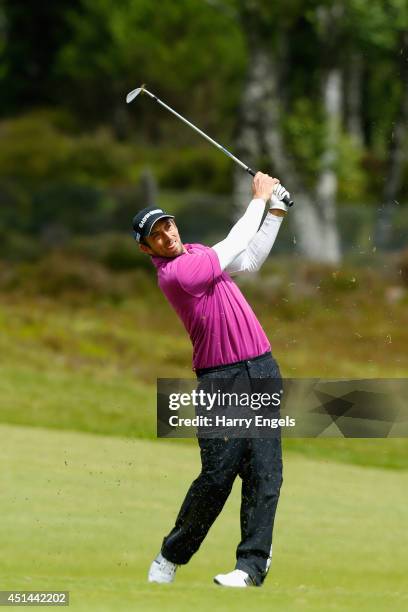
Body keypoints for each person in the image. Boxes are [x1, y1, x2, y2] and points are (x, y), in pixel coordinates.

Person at [132, 172, 289, 588]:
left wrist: (274, 212)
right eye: (156, 235)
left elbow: (248, 261)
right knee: (218, 475)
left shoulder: (199, 253)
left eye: (167, 225)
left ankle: (251, 566)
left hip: (262, 369)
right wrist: (259, 198)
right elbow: (233, 244)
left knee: (265, 472)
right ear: (147, 249)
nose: (167, 235)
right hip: (221, 378)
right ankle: (172, 554)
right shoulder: (177, 274)